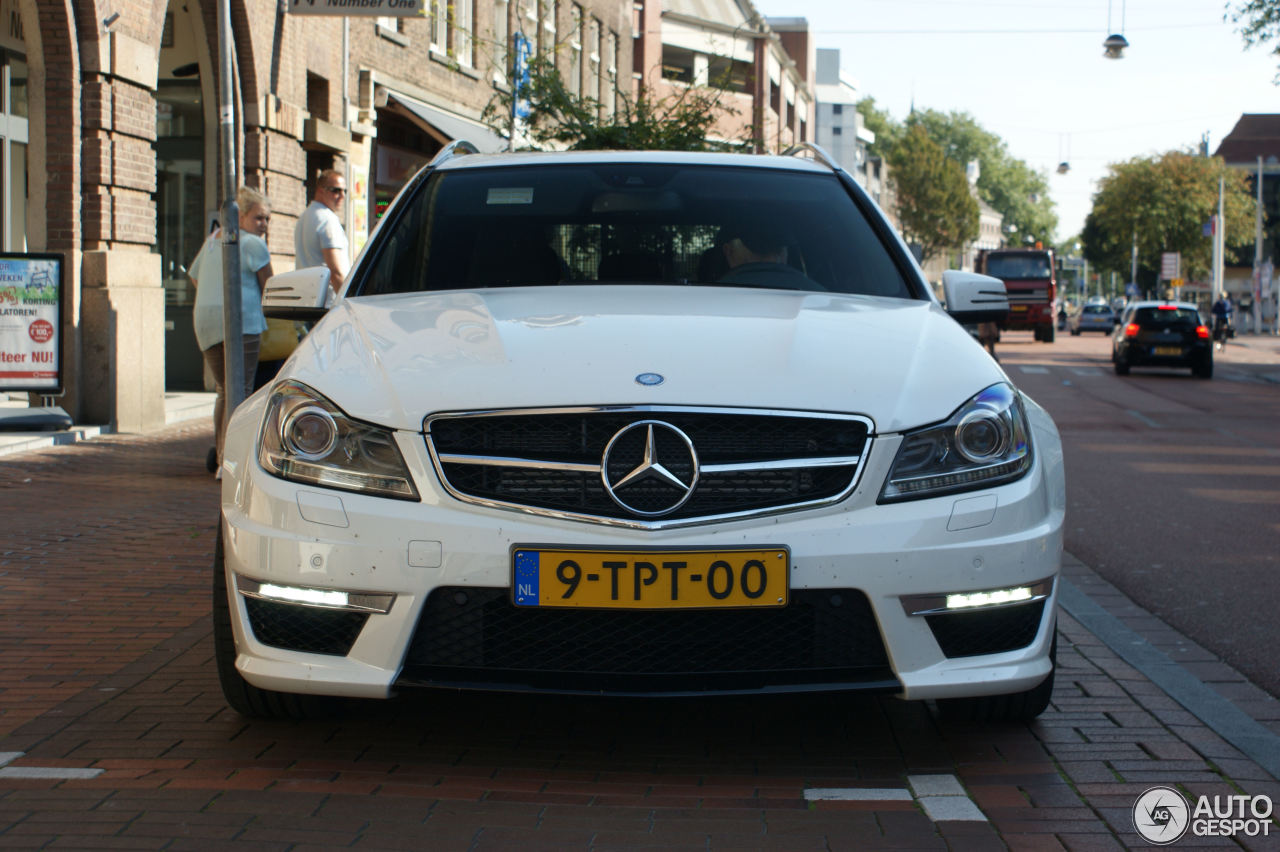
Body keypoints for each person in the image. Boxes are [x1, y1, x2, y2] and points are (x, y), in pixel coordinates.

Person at [189, 186, 274, 474]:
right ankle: (230, 461)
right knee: (242, 389)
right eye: (258, 218)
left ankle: (220, 454)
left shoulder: (213, 240)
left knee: (224, 389)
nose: (263, 225)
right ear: (241, 217)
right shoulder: (252, 244)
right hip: (242, 320)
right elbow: (270, 287)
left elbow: (195, 276)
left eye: (266, 219)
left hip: (205, 320)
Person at [714, 222, 821, 291]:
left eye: (776, 249)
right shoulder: (821, 296)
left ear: (728, 251)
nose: (772, 258)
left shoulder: (709, 302)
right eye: (757, 248)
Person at [295, 168, 350, 294]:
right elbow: (335, 271)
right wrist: (346, 301)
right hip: (328, 300)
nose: (342, 195)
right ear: (320, 191)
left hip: (308, 298)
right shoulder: (327, 219)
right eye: (336, 190)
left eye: (344, 190)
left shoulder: (304, 216)